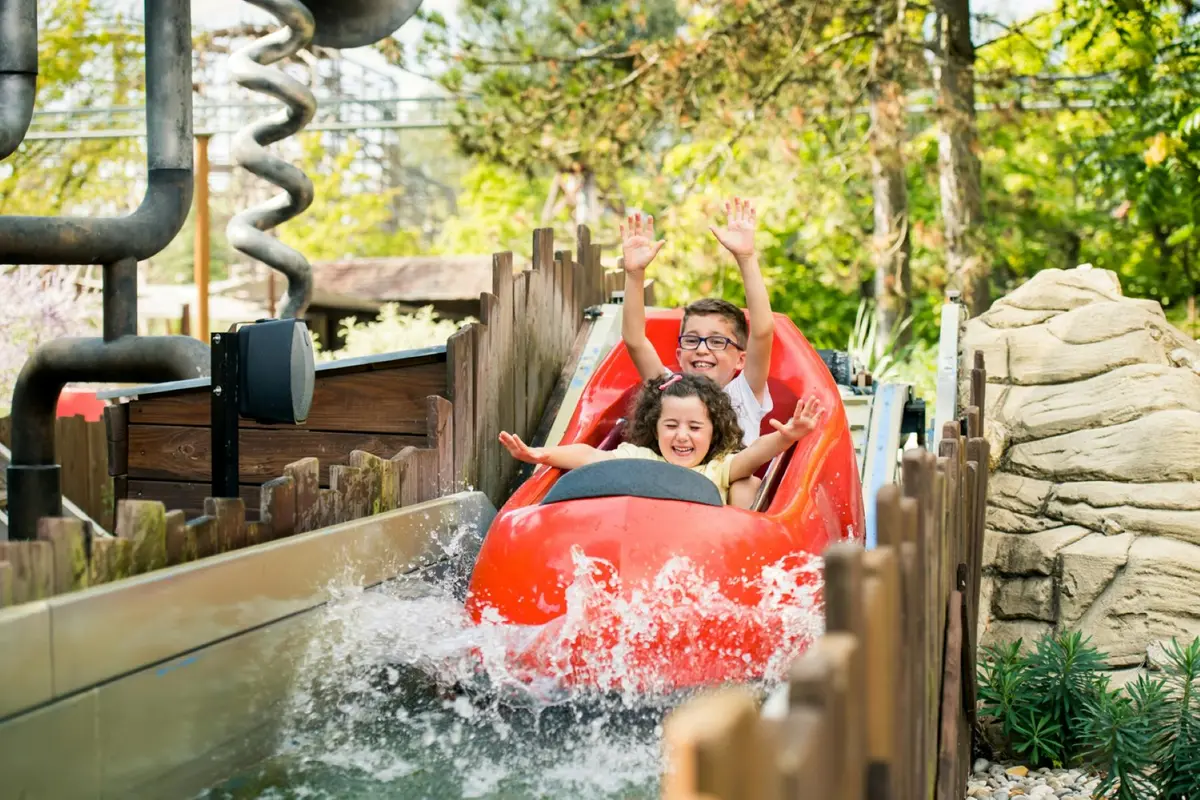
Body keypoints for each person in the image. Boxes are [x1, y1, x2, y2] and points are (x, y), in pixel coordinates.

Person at [618, 197, 777, 509]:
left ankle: (736, 544)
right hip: (671, 492)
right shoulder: (669, 390)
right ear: (679, 354)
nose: (703, 349)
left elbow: (762, 331)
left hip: (723, 503)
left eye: (718, 342)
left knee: (745, 483)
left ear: (740, 359)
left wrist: (746, 258)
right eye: (692, 340)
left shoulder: (744, 393)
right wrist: (635, 275)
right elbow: (635, 340)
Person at [498, 373, 822, 507]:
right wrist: (540, 454)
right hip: (650, 544)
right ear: (656, 428)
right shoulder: (641, 459)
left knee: (745, 485)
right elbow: (587, 456)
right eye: (671, 425)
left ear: (713, 432)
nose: (682, 435)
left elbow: (752, 456)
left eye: (695, 427)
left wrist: (786, 437)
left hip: (703, 550)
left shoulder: (718, 469)